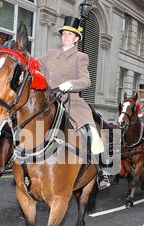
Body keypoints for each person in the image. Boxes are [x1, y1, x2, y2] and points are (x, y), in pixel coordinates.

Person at [39, 16, 109, 188]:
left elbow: (86, 81)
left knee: (90, 129)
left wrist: (70, 84)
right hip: (48, 99)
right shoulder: (50, 54)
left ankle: (100, 170)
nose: (66, 36)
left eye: (70, 34)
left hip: (71, 100)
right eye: (64, 33)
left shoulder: (80, 57)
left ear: (77, 39)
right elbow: (35, 67)